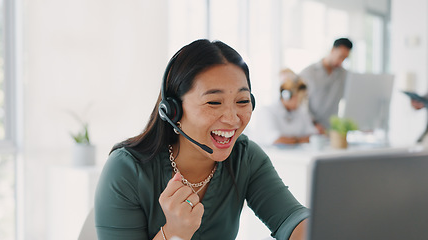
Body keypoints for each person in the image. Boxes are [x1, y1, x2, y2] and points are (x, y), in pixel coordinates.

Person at [94, 39, 309, 240]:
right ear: (173, 111)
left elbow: (291, 218)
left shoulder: (246, 156)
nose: (233, 118)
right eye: (214, 102)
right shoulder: (126, 170)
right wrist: (174, 233)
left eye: (242, 101)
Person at [250, 68, 318, 146]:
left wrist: (292, 140)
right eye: (299, 99)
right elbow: (276, 140)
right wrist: (300, 139)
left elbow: (313, 136)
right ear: (287, 96)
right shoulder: (267, 112)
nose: (301, 102)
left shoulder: (301, 112)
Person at [299, 38, 353, 134]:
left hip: (331, 130)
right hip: (310, 129)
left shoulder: (345, 75)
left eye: (345, 58)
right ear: (332, 50)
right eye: (340, 57)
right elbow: (301, 103)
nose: (341, 62)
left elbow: (352, 98)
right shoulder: (308, 73)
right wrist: (313, 123)